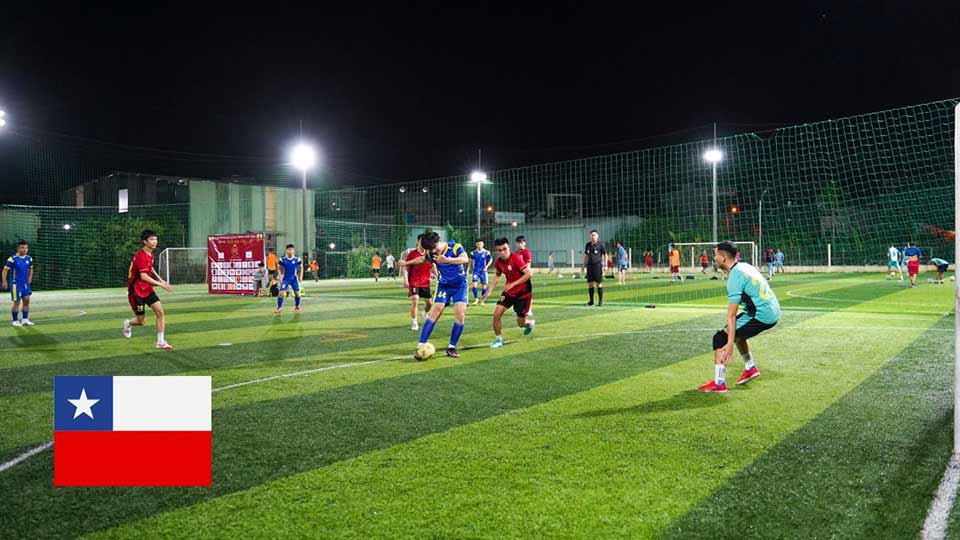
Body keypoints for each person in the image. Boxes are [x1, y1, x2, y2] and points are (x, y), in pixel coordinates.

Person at [697, 241, 781, 393]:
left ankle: (719, 383)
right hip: (771, 310)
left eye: (715, 256)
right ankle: (750, 368)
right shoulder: (745, 266)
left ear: (723, 258)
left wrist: (729, 344)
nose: (714, 259)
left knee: (719, 338)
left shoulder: (734, 277)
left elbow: (731, 315)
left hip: (761, 315)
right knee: (739, 334)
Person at [399, 232, 469, 358]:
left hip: (460, 286)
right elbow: (421, 259)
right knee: (435, 313)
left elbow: (465, 259)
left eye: (435, 247)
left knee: (460, 314)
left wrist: (448, 260)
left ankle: (452, 348)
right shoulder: (431, 253)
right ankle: (420, 345)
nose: (435, 251)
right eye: (431, 250)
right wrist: (406, 263)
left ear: (440, 240)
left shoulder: (455, 247)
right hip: (444, 286)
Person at [122, 230, 174, 349]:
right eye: (151, 239)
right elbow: (144, 276)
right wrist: (162, 286)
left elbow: (150, 269)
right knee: (141, 322)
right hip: (136, 292)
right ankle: (128, 323)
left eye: (155, 239)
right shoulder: (140, 256)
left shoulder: (151, 254)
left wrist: (161, 280)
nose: (155, 241)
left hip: (148, 290)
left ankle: (160, 342)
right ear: (145, 241)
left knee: (160, 312)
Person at [485, 237, 535, 348]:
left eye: (505, 249)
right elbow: (497, 275)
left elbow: (529, 274)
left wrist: (512, 284)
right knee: (496, 314)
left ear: (509, 247)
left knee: (521, 323)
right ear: (496, 250)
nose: (502, 252)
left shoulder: (516, 258)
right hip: (509, 292)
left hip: (523, 293)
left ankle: (530, 324)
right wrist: (490, 289)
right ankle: (499, 340)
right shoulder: (498, 262)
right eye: (499, 250)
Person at [402, 234, 434, 330]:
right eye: (421, 241)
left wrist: (436, 273)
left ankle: (424, 313)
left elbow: (433, 265)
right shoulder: (411, 254)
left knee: (429, 304)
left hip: (426, 282)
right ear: (418, 241)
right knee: (415, 300)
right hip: (414, 282)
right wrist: (405, 279)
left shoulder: (429, 254)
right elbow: (405, 267)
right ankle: (415, 322)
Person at [2, 239, 34, 327]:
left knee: (27, 301)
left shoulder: (29, 258)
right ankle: (15, 321)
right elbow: (5, 270)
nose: (25, 250)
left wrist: (30, 278)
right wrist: (4, 281)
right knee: (17, 302)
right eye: (22, 248)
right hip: (16, 284)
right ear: (18, 248)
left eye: (26, 248)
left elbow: (31, 268)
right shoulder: (12, 259)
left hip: (25, 284)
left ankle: (25, 319)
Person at [274, 244, 303, 314]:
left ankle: (297, 307)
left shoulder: (297, 259)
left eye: (292, 250)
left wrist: (300, 276)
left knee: (297, 294)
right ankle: (279, 308)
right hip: (285, 279)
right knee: (281, 293)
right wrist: (280, 277)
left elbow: (301, 267)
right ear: (286, 250)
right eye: (289, 249)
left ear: (294, 251)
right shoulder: (282, 259)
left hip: (294, 279)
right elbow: (278, 268)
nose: (290, 251)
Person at [581, 230, 606, 306]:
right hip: (590, 266)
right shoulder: (588, 245)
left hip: (597, 266)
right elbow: (586, 256)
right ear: (590, 236)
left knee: (599, 284)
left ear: (597, 236)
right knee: (590, 284)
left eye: (594, 235)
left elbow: (605, 255)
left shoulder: (600, 245)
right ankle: (591, 301)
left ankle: (600, 301)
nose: (593, 236)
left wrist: (605, 265)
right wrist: (583, 265)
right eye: (592, 235)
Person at [468, 240, 493, 306]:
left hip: (483, 271)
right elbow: (470, 261)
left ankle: (482, 300)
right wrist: (468, 270)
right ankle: (476, 299)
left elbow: (490, 260)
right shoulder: (473, 253)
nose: (479, 245)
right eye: (478, 244)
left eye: (481, 244)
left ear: (483, 244)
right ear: (476, 245)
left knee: (484, 286)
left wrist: (486, 267)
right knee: (474, 285)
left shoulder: (486, 252)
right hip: (476, 271)